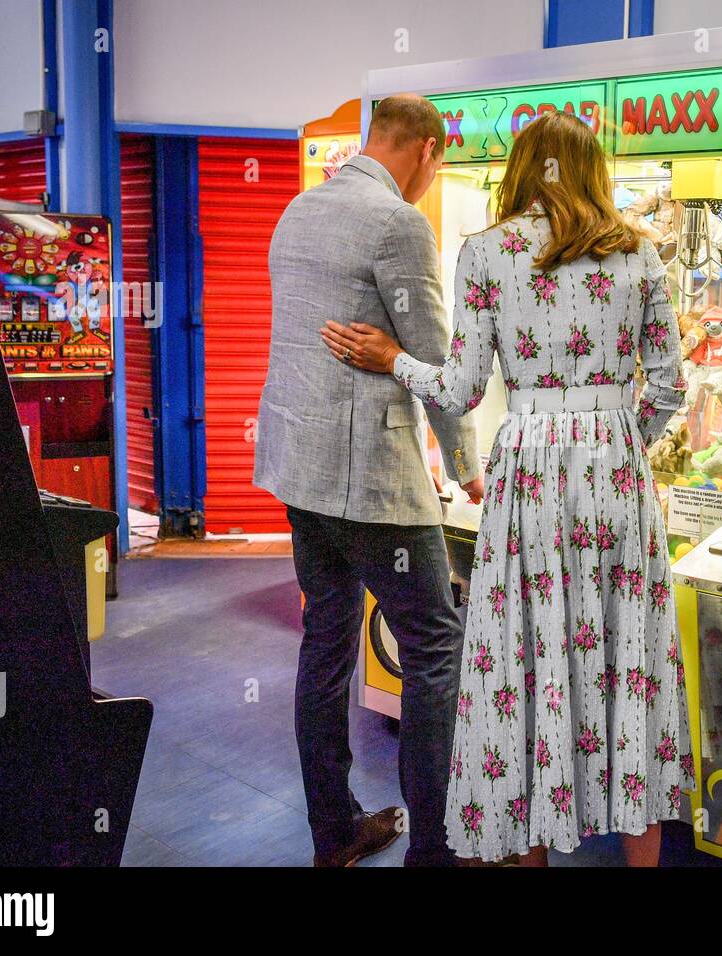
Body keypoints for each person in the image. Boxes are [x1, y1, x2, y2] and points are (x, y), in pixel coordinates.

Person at [322, 110, 695, 866]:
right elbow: (670, 389)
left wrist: (394, 357)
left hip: (528, 470)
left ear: (524, 169)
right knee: (629, 663)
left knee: (523, 668)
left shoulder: (488, 254)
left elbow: (459, 390)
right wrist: (621, 440)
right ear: (594, 171)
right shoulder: (640, 257)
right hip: (616, 474)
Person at [254, 94, 484, 867]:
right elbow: (433, 357)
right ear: (425, 148)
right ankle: (437, 851)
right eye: (440, 159)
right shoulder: (398, 224)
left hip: (300, 467)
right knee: (433, 643)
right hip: (368, 481)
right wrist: (467, 466)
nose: (434, 173)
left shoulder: (301, 208)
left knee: (327, 639)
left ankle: (336, 831)